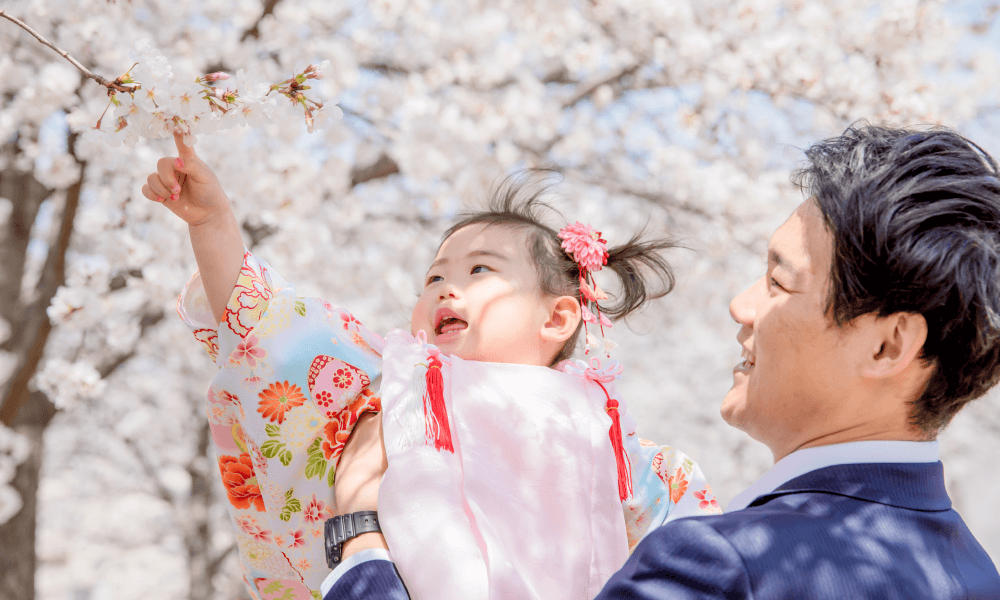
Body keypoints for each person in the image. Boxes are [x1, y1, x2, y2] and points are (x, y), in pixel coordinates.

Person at [325, 124, 1000, 599]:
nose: (740, 306)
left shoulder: (718, 565)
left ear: (887, 346)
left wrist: (359, 541)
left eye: (777, 283)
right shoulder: (975, 573)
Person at [141, 144, 720, 600]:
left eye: (479, 270)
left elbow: (690, 543)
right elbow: (274, 332)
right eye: (434, 277)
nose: (448, 287)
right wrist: (212, 224)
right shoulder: (396, 388)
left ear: (558, 316)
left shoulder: (606, 426)